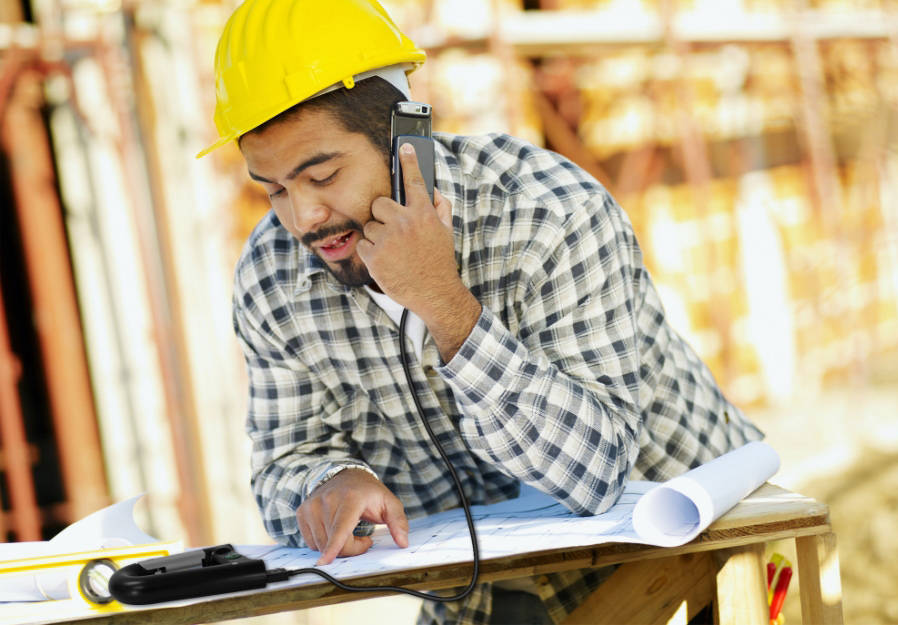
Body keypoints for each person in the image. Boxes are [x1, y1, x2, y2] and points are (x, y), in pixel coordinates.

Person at [199, 1, 763, 623]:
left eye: (323, 176)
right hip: (485, 591)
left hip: (688, 555)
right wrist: (328, 484)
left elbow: (594, 475)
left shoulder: (552, 213)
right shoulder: (271, 275)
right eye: (274, 189)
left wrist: (443, 302)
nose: (302, 218)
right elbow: (284, 464)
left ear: (405, 142)